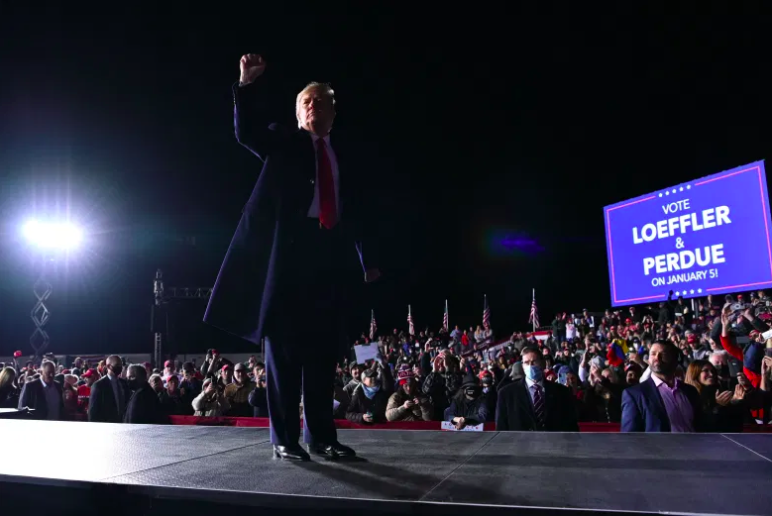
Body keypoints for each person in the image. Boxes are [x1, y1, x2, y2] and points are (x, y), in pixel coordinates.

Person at [203, 54, 379, 461]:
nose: (313, 106)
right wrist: (245, 86)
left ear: (334, 112)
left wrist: (365, 259)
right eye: (306, 102)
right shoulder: (284, 141)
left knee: (322, 355)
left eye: (321, 101)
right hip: (287, 258)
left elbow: (354, 213)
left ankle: (323, 438)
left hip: (328, 259)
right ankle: (284, 438)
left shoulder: (342, 156)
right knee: (283, 354)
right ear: (297, 114)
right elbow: (246, 132)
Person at [621, 341, 703, 432]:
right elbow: (629, 437)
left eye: (663, 354)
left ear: (675, 359)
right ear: (648, 359)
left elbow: (701, 426)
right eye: (653, 354)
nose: (657, 357)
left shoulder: (690, 391)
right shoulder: (634, 394)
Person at [495, 347, 578, 431]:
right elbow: (501, 430)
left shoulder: (561, 392)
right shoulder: (506, 394)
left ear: (542, 363)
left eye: (534, 362)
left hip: (553, 443)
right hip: (520, 443)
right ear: (522, 366)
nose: (530, 366)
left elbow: (572, 427)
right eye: (526, 363)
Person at [88, 355, 130, 423]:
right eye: (117, 365)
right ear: (108, 366)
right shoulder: (99, 386)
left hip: (124, 425)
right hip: (107, 426)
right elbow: (93, 412)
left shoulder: (124, 383)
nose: (120, 367)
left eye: (121, 365)